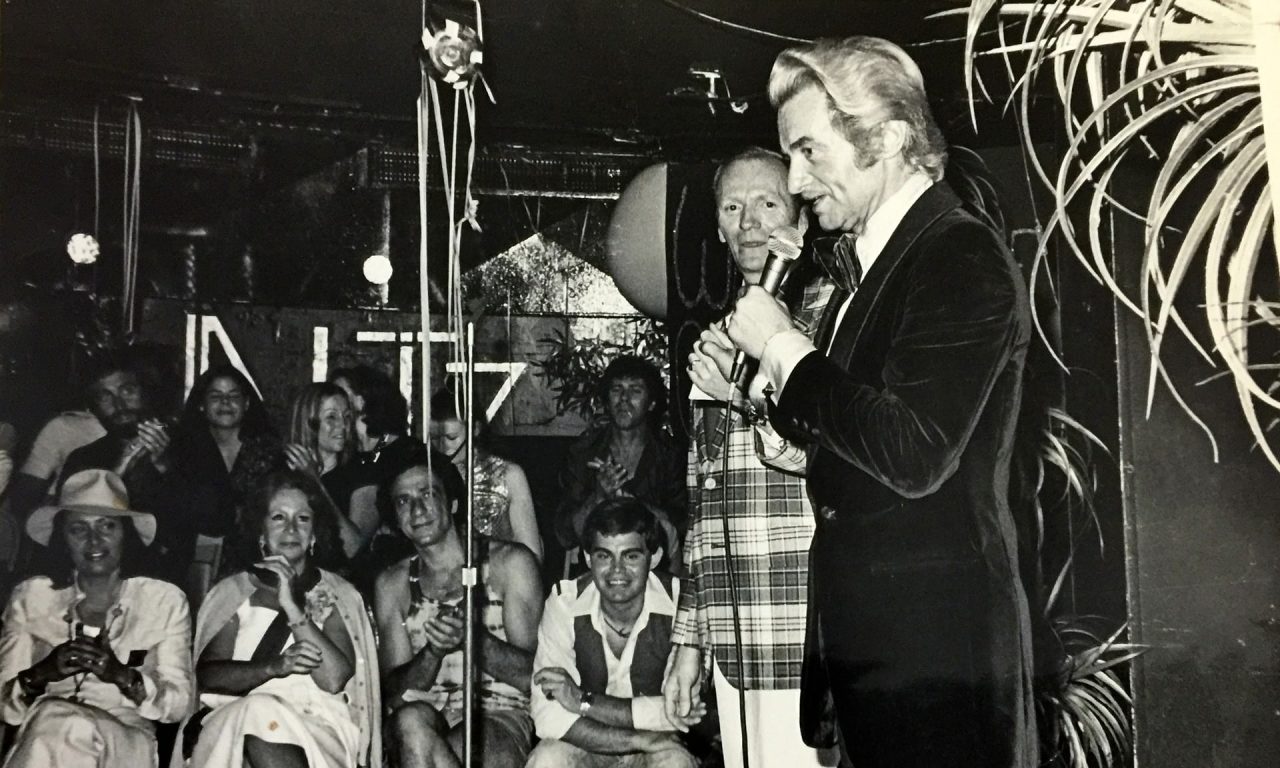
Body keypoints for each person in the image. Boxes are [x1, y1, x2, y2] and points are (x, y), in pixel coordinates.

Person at [712, 36, 1038, 768]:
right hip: (887, 658)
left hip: (937, 660)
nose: (794, 182)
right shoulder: (882, 262)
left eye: (808, 151)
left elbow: (915, 451)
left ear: (887, 137)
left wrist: (784, 348)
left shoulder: (957, 253)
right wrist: (782, 415)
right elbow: (861, 445)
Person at [664, 148, 838, 768]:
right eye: (732, 207)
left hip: (804, 639)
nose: (748, 223)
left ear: (799, 217)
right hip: (736, 649)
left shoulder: (828, 324)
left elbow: (822, 458)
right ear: (716, 226)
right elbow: (703, 507)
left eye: (766, 203)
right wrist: (691, 645)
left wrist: (738, 398)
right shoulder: (716, 337)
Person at [178, 468, 381, 768]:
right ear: (261, 530)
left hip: (317, 727)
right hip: (236, 718)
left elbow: (335, 679)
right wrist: (275, 667)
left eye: (302, 518)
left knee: (259, 718)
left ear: (314, 534)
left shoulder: (339, 594)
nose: (290, 529)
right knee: (256, 712)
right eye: (278, 517)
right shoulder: (233, 592)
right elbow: (208, 676)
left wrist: (292, 607)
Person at [0, 469, 194, 767]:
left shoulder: (163, 600)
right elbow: (4, 707)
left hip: (125, 743)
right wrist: (42, 674)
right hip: (42, 739)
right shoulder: (32, 597)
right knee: (56, 719)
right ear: (62, 539)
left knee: (62, 721)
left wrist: (121, 676)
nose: (94, 541)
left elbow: (178, 704)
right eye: (78, 529)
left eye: (107, 527)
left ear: (126, 534)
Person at [374, 450, 541, 768]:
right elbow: (393, 695)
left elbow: (533, 677)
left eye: (428, 493)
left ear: (452, 502)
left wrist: (474, 641)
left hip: (497, 716)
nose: (418, 509)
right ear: (395, 519)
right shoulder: (393, 584)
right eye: (403, 501)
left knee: (468, 744)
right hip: (426, 719)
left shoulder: (509, 563)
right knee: (409, 722)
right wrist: (432, 653)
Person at [527, 498, 698, 768]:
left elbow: (681, 712)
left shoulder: (681, 604)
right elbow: (547, 717)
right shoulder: (564, 603)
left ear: (653, 557)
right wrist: (639, 739)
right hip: (593, 743)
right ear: (587, 558)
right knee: (547, 759)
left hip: (662, 745)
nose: (617, 570)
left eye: (630, 556)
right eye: (604, 556)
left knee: (676, 762)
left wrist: (582, 702)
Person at [57, 356, 200, 585]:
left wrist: (165, 466)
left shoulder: (187, 446)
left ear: (146, 392)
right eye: (105, 396)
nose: (119, 404)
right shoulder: (84, 459)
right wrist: (117, 474)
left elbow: (212, 520)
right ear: (93, 407)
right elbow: (63, 533)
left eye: (127, 390)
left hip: (163, 584)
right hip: (95, 582)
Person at [555, 356, 686, 568]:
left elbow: (684, 526)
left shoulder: (671, 456)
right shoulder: (583, 452)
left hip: (657, 573)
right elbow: (565, 535)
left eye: (635, 390)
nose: (624, 398)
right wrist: (598, 496)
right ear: (606, 400)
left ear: (652, 403)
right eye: (616, 389)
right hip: (597, 574)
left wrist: (628, 500)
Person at [170, 365, 283, 555]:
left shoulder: (270, 453)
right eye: (215, 396)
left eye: (233, 396)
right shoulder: (181, 453)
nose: (225, 402)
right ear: (201, 404)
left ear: (246, 403)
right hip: (197, 561)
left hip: (261, 557)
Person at [429, 388, 543, 563]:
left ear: (475, 428)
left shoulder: (509, 475)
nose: (443, 447)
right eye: (435, 438)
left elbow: (533, 555)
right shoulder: (426, 475)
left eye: (452, 437)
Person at [284, 382, 369, 558]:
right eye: (332, 417)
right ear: (309, 422)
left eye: (346, 417)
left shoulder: (361, 472)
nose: (343, 426)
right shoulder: (280, 471)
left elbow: (353, 548)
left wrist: (315, 482)